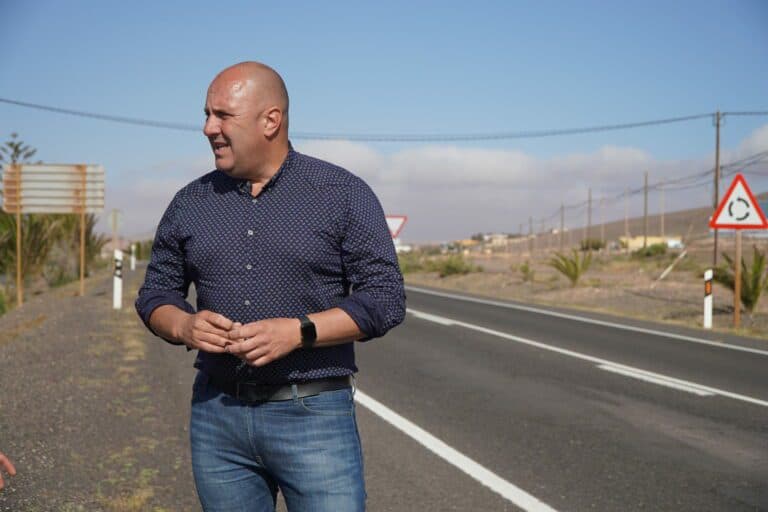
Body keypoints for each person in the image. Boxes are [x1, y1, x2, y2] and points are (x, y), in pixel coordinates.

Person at [135, 61, 405, 512]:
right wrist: (184, 326)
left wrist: (298, 331)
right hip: (217, 415)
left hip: (314, 417)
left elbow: (384, 298)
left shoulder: (342, 194)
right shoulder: (189, 203)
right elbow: (155, 294)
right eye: (206, 114)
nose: (208, 128)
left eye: (223, 115)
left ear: (271, 120)